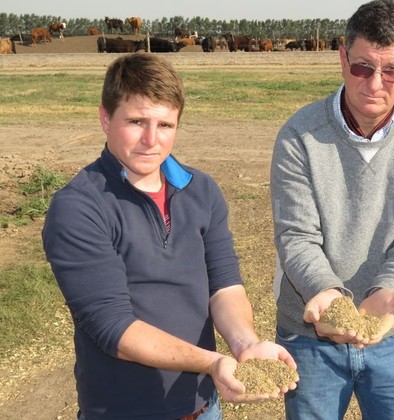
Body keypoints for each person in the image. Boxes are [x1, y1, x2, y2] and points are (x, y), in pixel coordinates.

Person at [42, 52, 297, 420]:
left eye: (165, 125)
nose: (151, 140)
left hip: (203, 407)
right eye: (136, 121)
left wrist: (246, 344)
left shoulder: (201, 190)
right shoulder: (79, 207)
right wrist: (212, 362)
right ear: (105, 118)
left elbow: (224, 285)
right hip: (123, 411)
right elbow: (114, 328)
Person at [270, 1, 394, 419]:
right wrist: (326, 295)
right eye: (363, 67)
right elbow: (296, 236)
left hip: (392, 330)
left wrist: (390, 288)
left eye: (392, 71)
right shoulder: (299, 135)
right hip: (309, 334)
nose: (374, 84)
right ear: (342, 59)